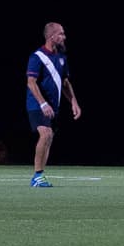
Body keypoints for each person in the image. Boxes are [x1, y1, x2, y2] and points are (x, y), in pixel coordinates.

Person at [26, 22, 82, 188]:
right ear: (52, 37)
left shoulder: (61, 57)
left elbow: (64, 82)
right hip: (37, 104)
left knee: (49, 137)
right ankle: (37, 176)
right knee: (45, 133)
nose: (64, 37)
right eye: (61, 34)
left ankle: (40, 175)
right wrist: (42, 103)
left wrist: (74, 101)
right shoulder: (37, 56)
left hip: (53, 106)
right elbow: (31, 82)